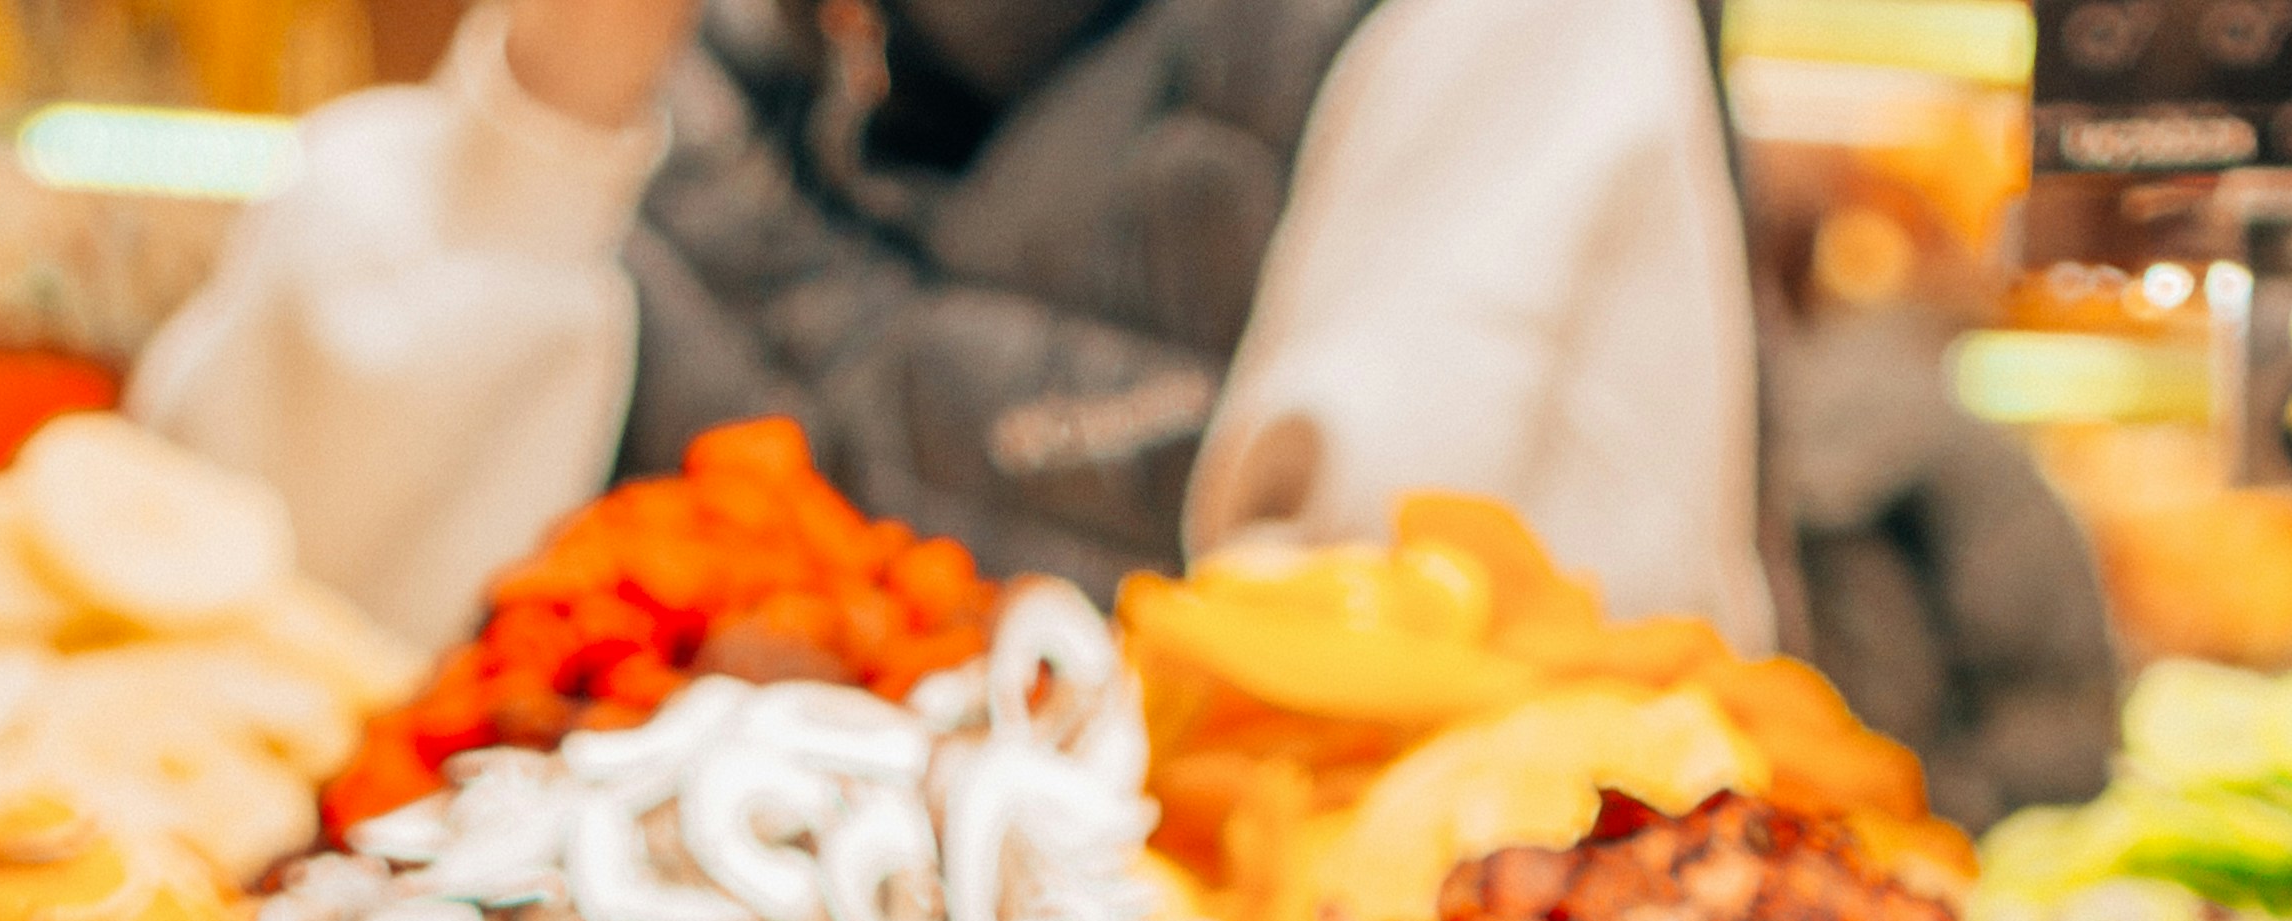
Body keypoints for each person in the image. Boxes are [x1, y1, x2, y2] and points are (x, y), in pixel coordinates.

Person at [130, 0, 1769, 657]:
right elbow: (266, 632)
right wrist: (548, 104)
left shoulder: (1505, 37)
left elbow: (1457, 744)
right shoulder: (661, 42)